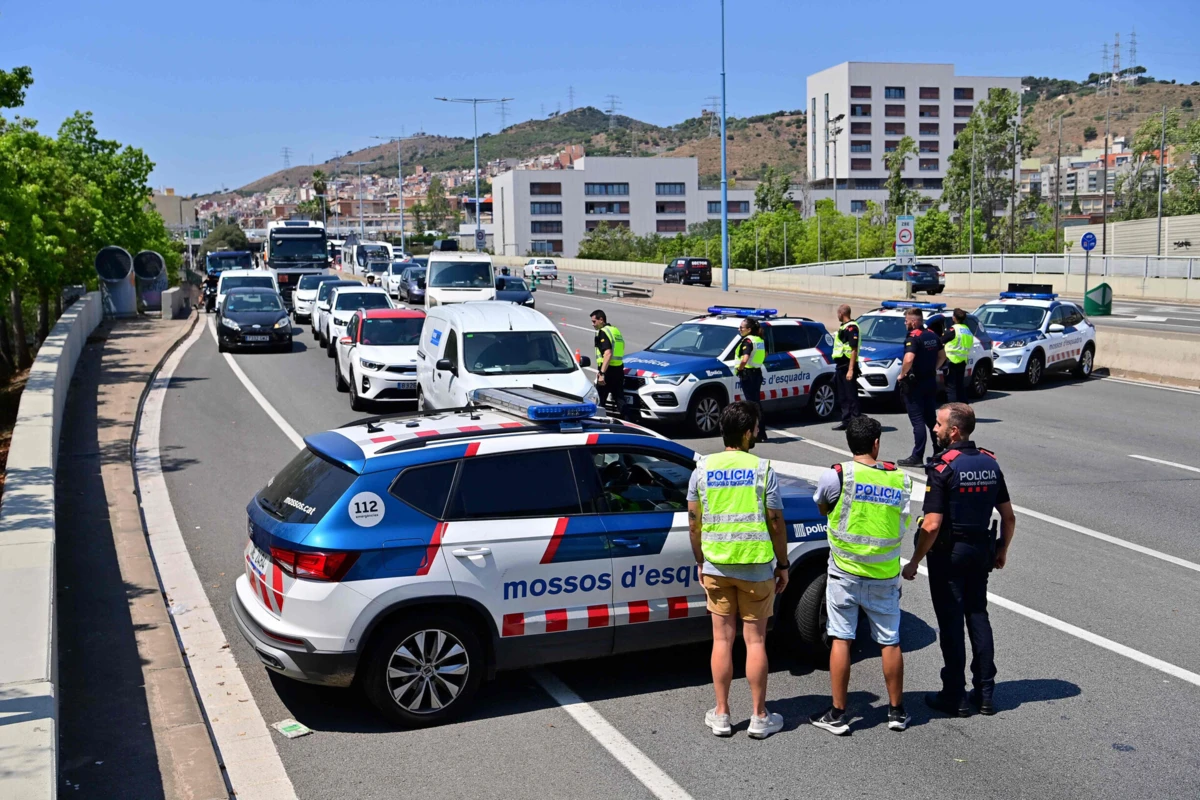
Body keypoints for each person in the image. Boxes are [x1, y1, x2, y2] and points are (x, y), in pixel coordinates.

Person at [903, 403, 1016, 717]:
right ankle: (986, 693)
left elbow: (931, 524)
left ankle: (955, 695)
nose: (935, 430)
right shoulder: (990, 464)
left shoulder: (943, 467)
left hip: (949, 556)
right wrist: (1002, 551)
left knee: (951, 624)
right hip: (981, 550)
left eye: (938, 425)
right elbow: (1009, 517)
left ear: (954, 431)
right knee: (978, 615)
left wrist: (914, 561)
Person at [688, 402, 789, 740]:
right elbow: (775, 521)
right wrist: (783, 563)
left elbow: (694, 522)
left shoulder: (702, 469)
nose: (758, 433)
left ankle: (721, 713)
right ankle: (759, 716)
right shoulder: (763, 469)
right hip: (756, 567)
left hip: (717, 565)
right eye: (757, 428)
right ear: (747, 433)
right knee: (755, 640)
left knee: (722, 640)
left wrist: (701, 561)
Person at [810, 415, 912, 735]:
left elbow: (822, 508)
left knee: (842, 638)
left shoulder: (838, 474)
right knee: (889, 641)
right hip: (884, 573)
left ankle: (838, 714)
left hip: (845, 572)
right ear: (876, 443)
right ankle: (896, 712)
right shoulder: (900, 478)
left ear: (849, 443)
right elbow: (902, 517)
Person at [896, 308, 945, 467]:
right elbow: (942, 355)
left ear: (914, 321)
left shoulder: (914, 337)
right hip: (930, 382)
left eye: (906, 321)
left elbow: (908, 359)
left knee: (918, 421)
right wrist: (934, 369)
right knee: (931, 419)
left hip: (915, 384)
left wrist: (902, 374)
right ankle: (939, 451)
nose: (905, 323)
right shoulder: (931, 334)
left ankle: (917, 456)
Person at [735, 317, 768, 443]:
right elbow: (765, 355)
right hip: (757, 373)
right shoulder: (759, 340)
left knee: (751, 405)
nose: (739, 329)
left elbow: (744, 359)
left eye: (741, 328)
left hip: (748, 373)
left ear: (749, 329)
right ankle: (761, 432)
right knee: (756, 403)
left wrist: (739, 369)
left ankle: (756, 433)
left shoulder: (748, 341)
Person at [590, 309, 627, 419]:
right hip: (618, 369)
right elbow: (622, 347)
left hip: (607, 370)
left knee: (600, 400)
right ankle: (629, 422)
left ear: (601, 320)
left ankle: (598, 423)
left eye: (594, 321)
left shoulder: (603, 332)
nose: (592, 324)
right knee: (620, 399)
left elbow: (608, 353)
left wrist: (602, 373)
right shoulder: (615, 330)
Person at [831, 304, 861, 431]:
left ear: (841, 314)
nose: (837, 316)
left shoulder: (852, 328)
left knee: (851, 396)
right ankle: (846, 421)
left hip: (848, 366)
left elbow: (853, 350)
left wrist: (851, 369)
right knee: (842, 396)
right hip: (841, 366)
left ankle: (856, 422)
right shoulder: (844, 327)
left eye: (838, 314)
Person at [942, 309, 974, 404]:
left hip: (951, 361)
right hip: (962, 361)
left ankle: (953, 412)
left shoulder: (953, 330)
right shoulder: (968, 330)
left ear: (954, 318)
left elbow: (941, 340)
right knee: (960, 386)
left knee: (951, 388)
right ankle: (964, 410)